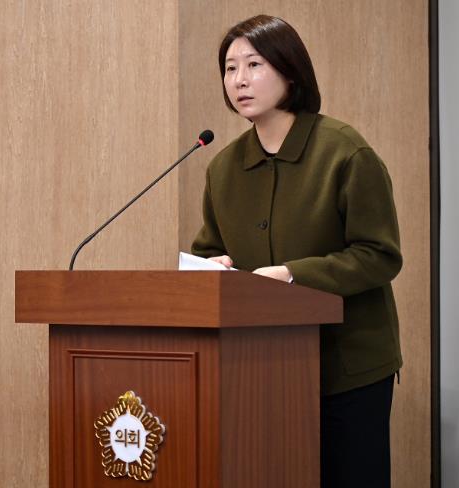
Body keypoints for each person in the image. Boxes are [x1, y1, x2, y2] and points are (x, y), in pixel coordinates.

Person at [190, 14, 403, 488]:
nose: (239, 80)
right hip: (261, 369)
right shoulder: (223, 168)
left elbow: (380, 254)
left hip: (347, 367)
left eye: (254, 64)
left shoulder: (345, 152)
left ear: (290, 71)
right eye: (230, 68)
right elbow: (210, 250)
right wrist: (210, 267)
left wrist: (291, 275)